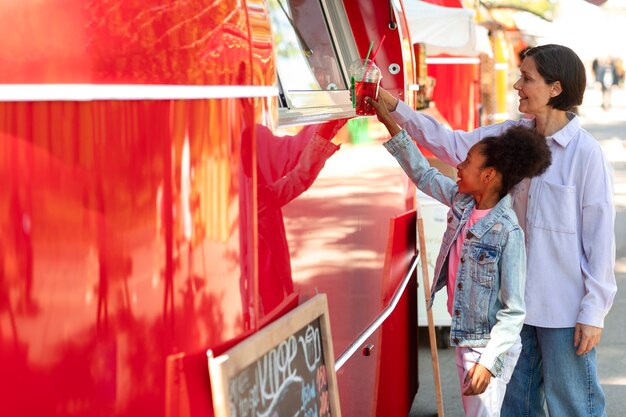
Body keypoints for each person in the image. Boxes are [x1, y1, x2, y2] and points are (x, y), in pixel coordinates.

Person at [373, 44, 617, 417]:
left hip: (564, 311)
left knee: (575, 407)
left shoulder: (586, 154)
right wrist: (394, 108)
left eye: (527, 78)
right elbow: (451, 143)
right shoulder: (509, 136)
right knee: (515, 407)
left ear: (555, 88)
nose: (517, 85)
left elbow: (599, 238)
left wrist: (593, 311)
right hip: (508, 309)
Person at [370, 88, 551, 415]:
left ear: (488, 176)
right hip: (466, 336)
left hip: (486, 349)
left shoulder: (507, 232)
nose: (458, 166)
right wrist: (389, 122)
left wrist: (488, 362)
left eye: (467, 162)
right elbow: (424, 175)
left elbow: (513, 312)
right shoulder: (463, 203)